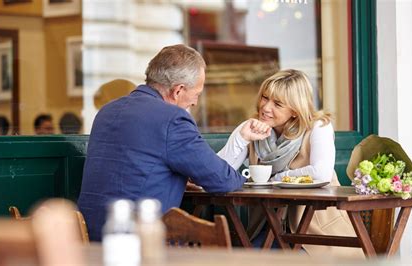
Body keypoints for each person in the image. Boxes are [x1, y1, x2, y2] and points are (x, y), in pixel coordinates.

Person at [77, 44, 249, 241]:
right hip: (140, 244)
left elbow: (132, 169)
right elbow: (222, 180)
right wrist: (247, 178)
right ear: (178, 91)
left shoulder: (106, 112)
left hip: (89, 240)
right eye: (197, 94)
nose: (194, 102)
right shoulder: (172, 118)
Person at [218, 69, 364, 258]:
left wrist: (276, 180)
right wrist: (242, 138)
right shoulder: (251, 127)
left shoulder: (318, 127)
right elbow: (217, 171)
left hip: (316, 235)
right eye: (264, 97)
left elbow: (321, 173)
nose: (266, 107)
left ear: (295, 110)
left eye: (277, 104)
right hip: (269, 228)